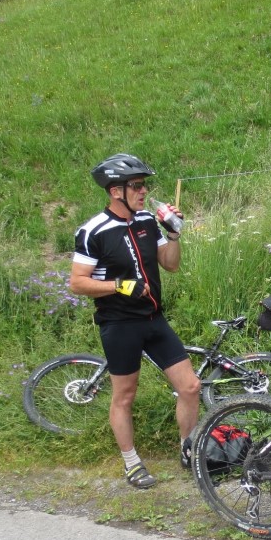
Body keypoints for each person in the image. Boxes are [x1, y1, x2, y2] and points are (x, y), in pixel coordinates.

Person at [68, 154, 201, 489]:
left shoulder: (144, 220)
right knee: (124, 396)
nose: (144, 191)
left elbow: (170, 265)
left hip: (154, 318)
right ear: (116, 191)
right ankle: (132, 463)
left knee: (190, 387)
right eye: (137, 185)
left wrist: (173, 235)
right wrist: (118, 285)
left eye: (144, 185)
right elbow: (78, 282)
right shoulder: (92, 231)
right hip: (119, 324)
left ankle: (189, 450)